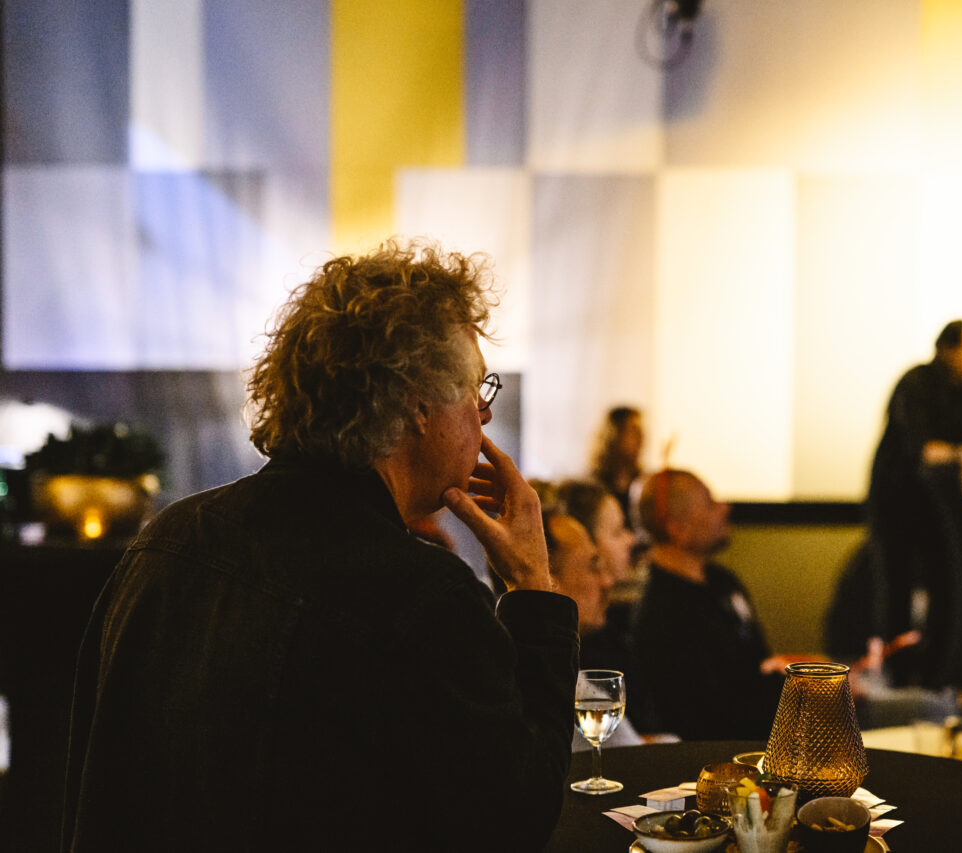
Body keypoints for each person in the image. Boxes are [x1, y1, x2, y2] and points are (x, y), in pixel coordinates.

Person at [60, 240, 579, 853]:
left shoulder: (169, 541)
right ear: (417, 406)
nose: (484, 417)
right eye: (474, 392)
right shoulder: (421, 597)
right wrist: (535, 590)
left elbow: (96, 793)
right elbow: (515, 820)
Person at [860, 319, 962, 691]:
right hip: (895, 501)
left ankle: (934, 675)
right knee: (893, 587)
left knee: (946, 585)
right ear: (948, 349)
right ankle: (895, 675)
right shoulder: (915, 384)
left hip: (937, 510)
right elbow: (923, 449)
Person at [629, 469, 783, 740]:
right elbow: (711, 717)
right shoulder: (662, 614)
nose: (725, 508)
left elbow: (761, 664)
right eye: (710, 503)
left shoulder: (723, 582)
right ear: (678, 528)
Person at [555, 479, 641, 674]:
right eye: (617, 532)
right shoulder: (579, 641)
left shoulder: (608, 623)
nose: (631, 539)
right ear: (583, 539)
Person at [588, 406, 645, 529]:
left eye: (641, 432)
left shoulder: (642, 481)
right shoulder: (593, 484)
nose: (641, 438)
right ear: (615, 435)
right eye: (634, 431)